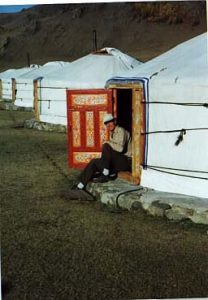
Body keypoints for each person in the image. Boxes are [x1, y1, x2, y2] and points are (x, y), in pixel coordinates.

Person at [68, 113, 132, 200]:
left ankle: (105, 174)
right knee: (94, 162)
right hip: (116, 161)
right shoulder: (112, 133)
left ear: (114, 121)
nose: (109, 125)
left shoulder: (121, 131)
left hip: (125, 162)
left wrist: (108, 143)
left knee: (106, 146)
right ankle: (80, 186)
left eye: (110, 122)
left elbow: (120, 149)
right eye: (107, 124)